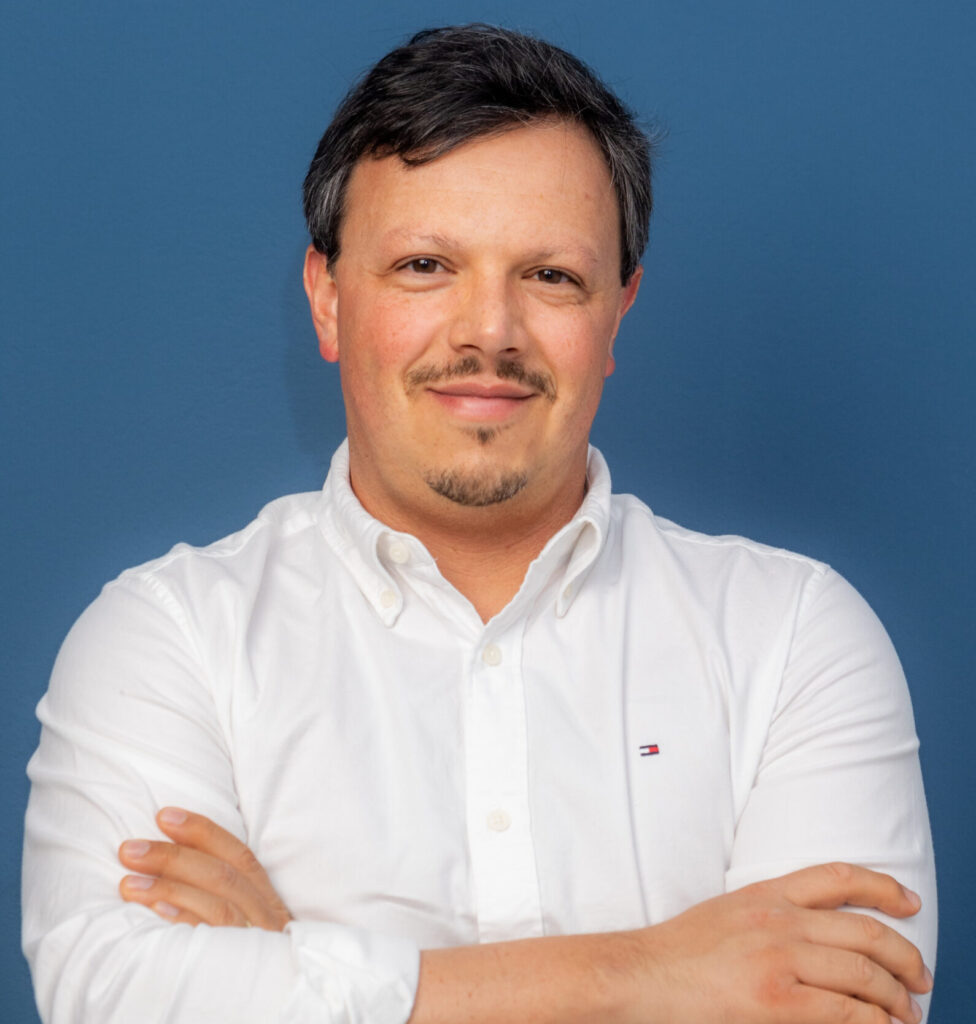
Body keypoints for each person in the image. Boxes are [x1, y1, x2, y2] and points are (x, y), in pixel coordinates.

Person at [23, 23, 936, 1024]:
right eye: (425, 265)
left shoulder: (794, 637)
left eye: (551, 276)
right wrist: (649, 974)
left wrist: (297, 965)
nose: (488, 332)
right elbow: (120, 998)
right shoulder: (169, 640)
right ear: (326, 299)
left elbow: (844, 1007)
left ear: (618, 310)